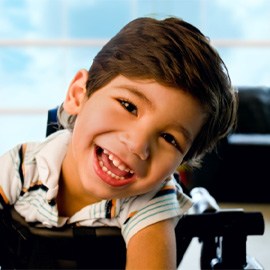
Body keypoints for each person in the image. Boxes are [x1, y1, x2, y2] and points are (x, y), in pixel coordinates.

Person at [0, 16, 237, 269]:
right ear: (78, 95)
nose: (138, 144)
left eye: (169, 138)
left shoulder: (151, 199)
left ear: (182, 162)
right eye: (128, 106)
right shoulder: (22, 167)